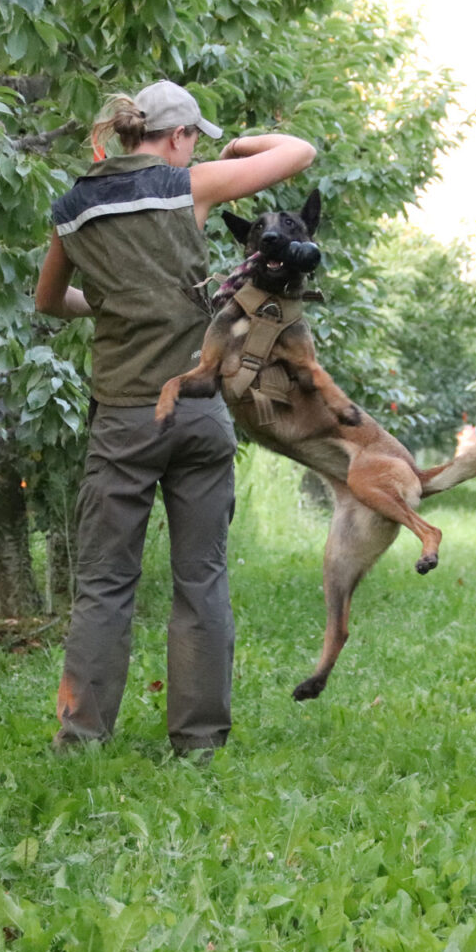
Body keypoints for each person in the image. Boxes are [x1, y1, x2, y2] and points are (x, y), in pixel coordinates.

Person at [35, 80, 316, 756]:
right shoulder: (188, 186)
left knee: (103, 585)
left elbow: (50, 300)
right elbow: (299, 151)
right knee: (202, 580)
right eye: (194, 137)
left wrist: (107, 302)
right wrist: (243, 144)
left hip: (123, 420)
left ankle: (81, 739)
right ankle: (198, 742)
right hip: (196, 417)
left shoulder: (74, 209)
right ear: (179, 136)